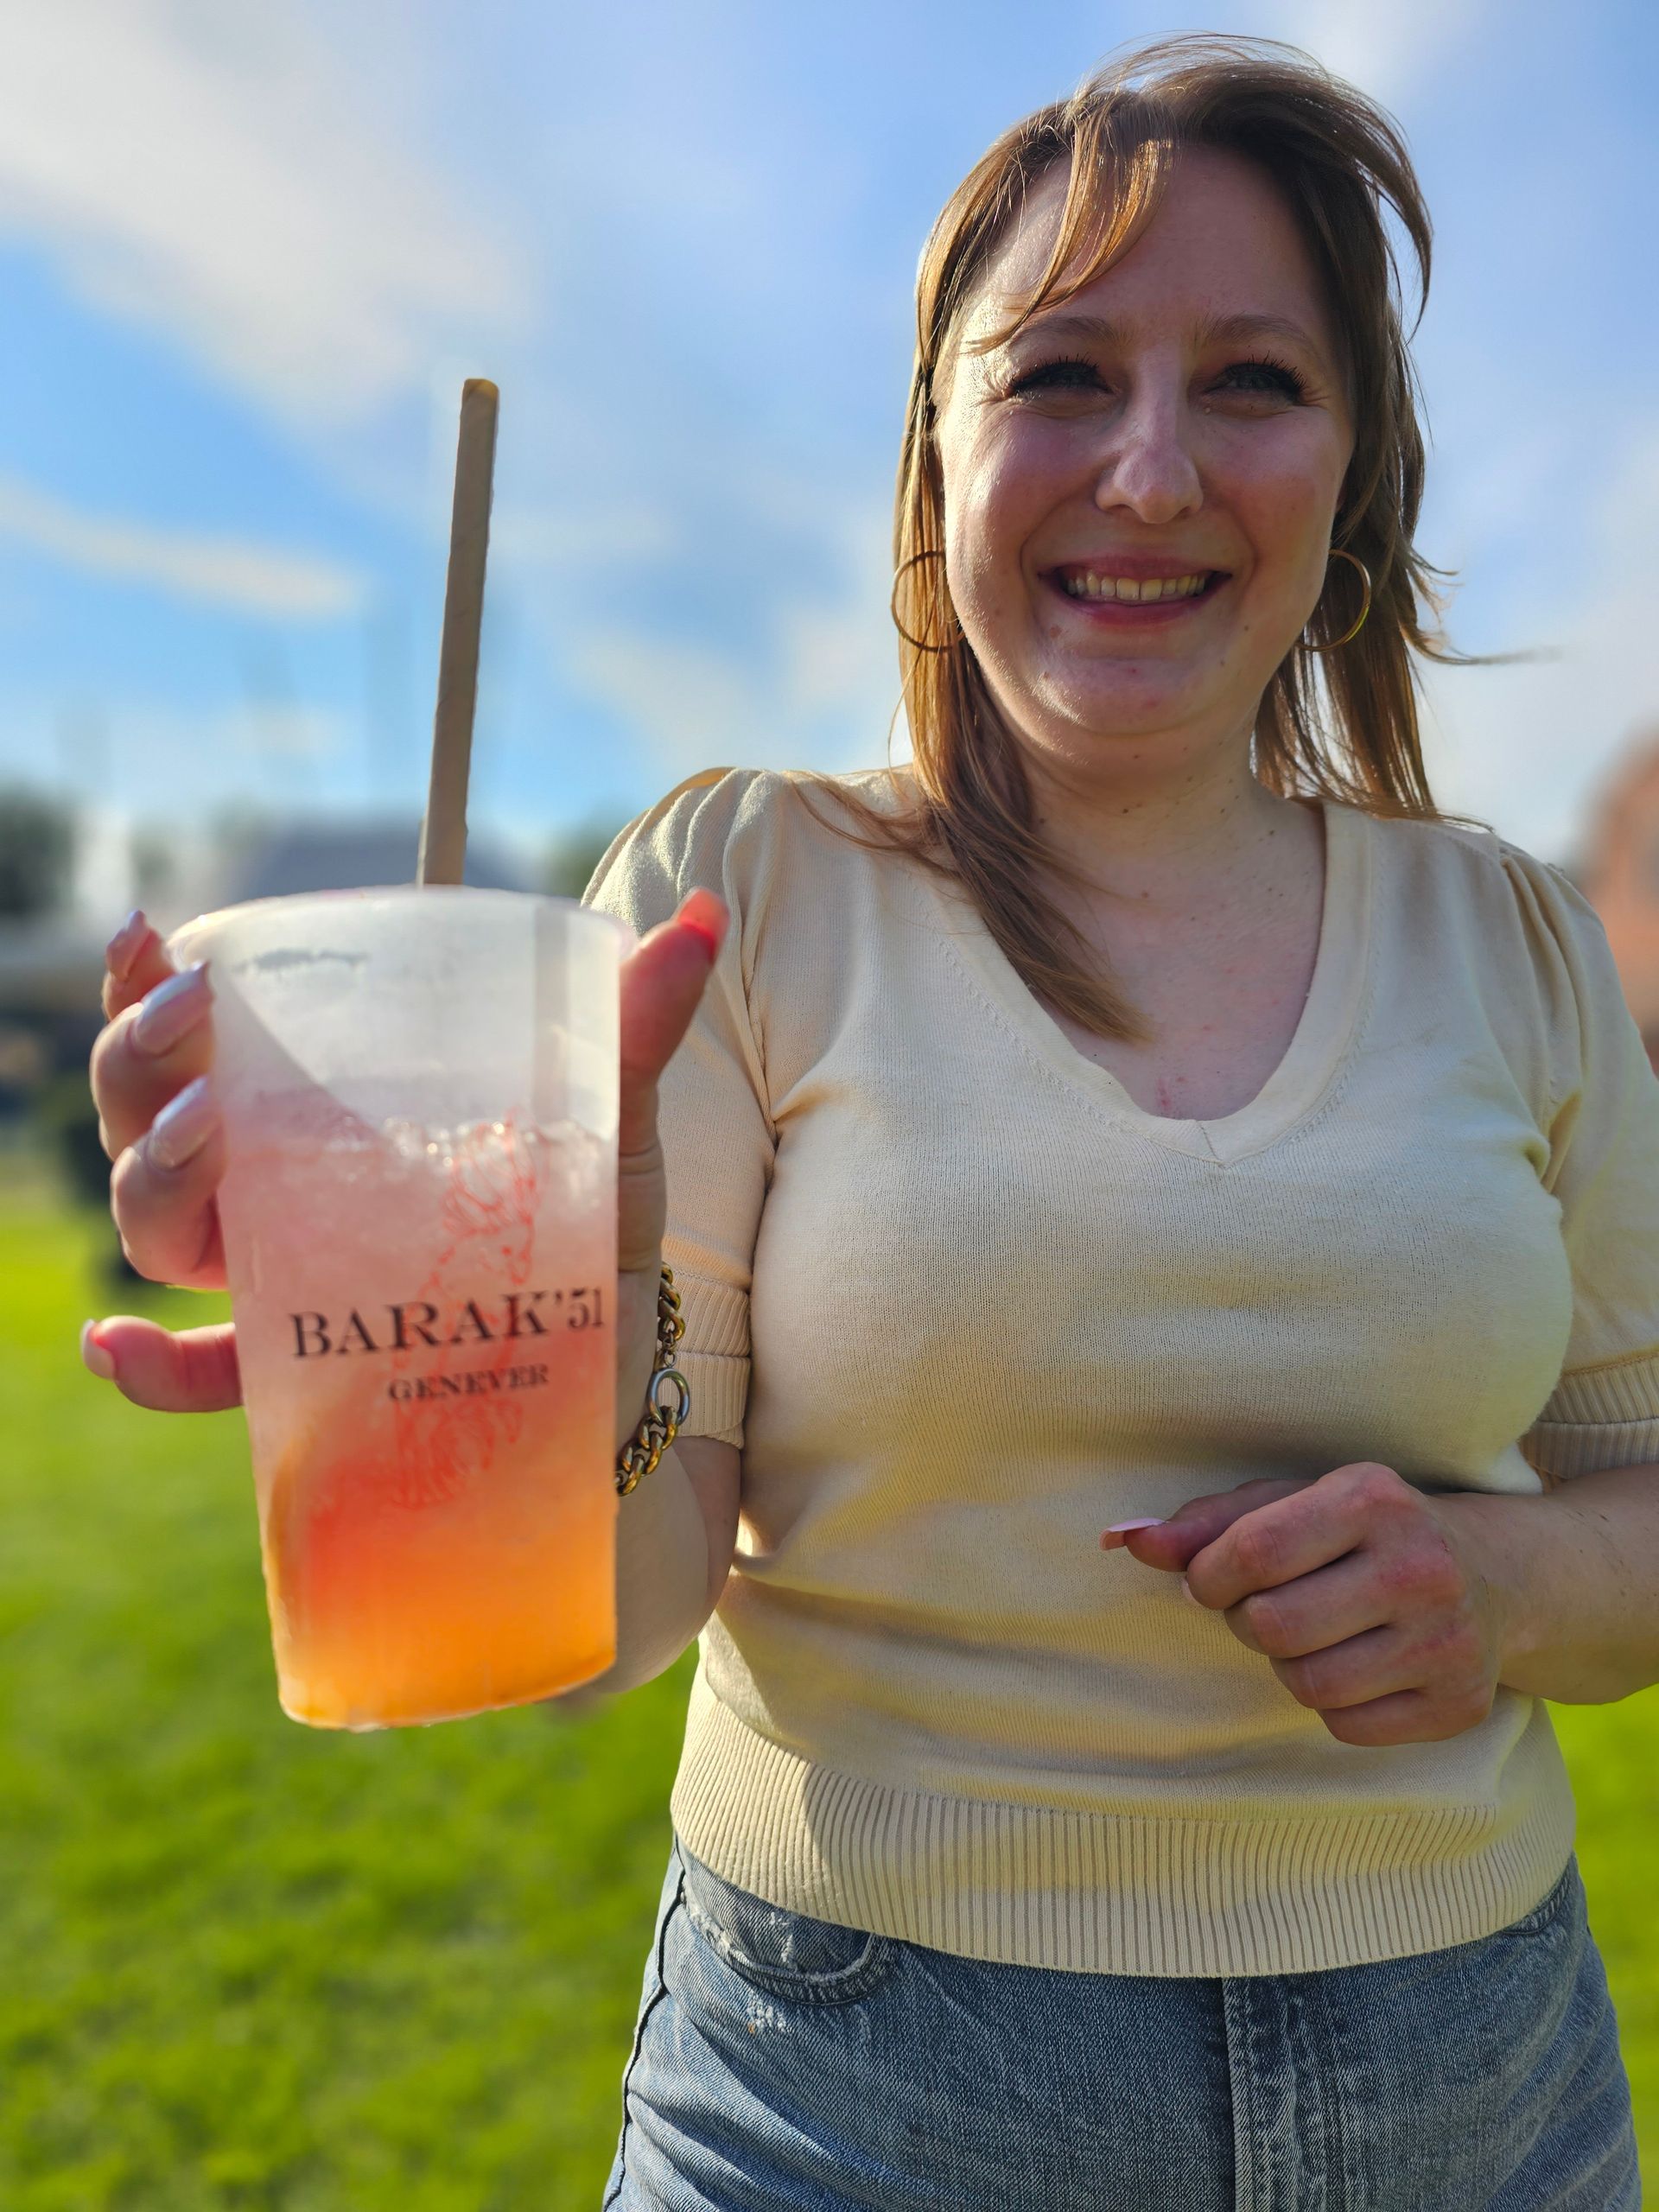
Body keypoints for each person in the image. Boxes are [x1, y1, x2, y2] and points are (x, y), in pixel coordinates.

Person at [82, 32, 1654, 2210]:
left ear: (1357, 474)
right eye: (1063, 374)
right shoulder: (750, 896)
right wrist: (482, 1351)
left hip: (1488, 2092)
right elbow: (615, 1605)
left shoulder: (1519, 944)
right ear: (937, 458)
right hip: (854, 2103)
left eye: (1257, 382)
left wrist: (1502, 1580)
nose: (1150, 468)